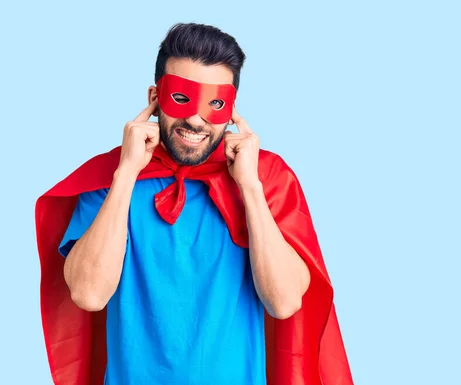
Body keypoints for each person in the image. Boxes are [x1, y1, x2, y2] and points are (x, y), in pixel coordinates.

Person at [35, 23, 353, 384]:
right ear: (154, 97)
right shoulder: (110, 178)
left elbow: (284, 302)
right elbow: (88, 294)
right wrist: (125, 174)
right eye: (181, 98)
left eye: (214, 104)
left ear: (231, 108)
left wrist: (249, 187)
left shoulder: (268, 177)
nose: (194, 119)